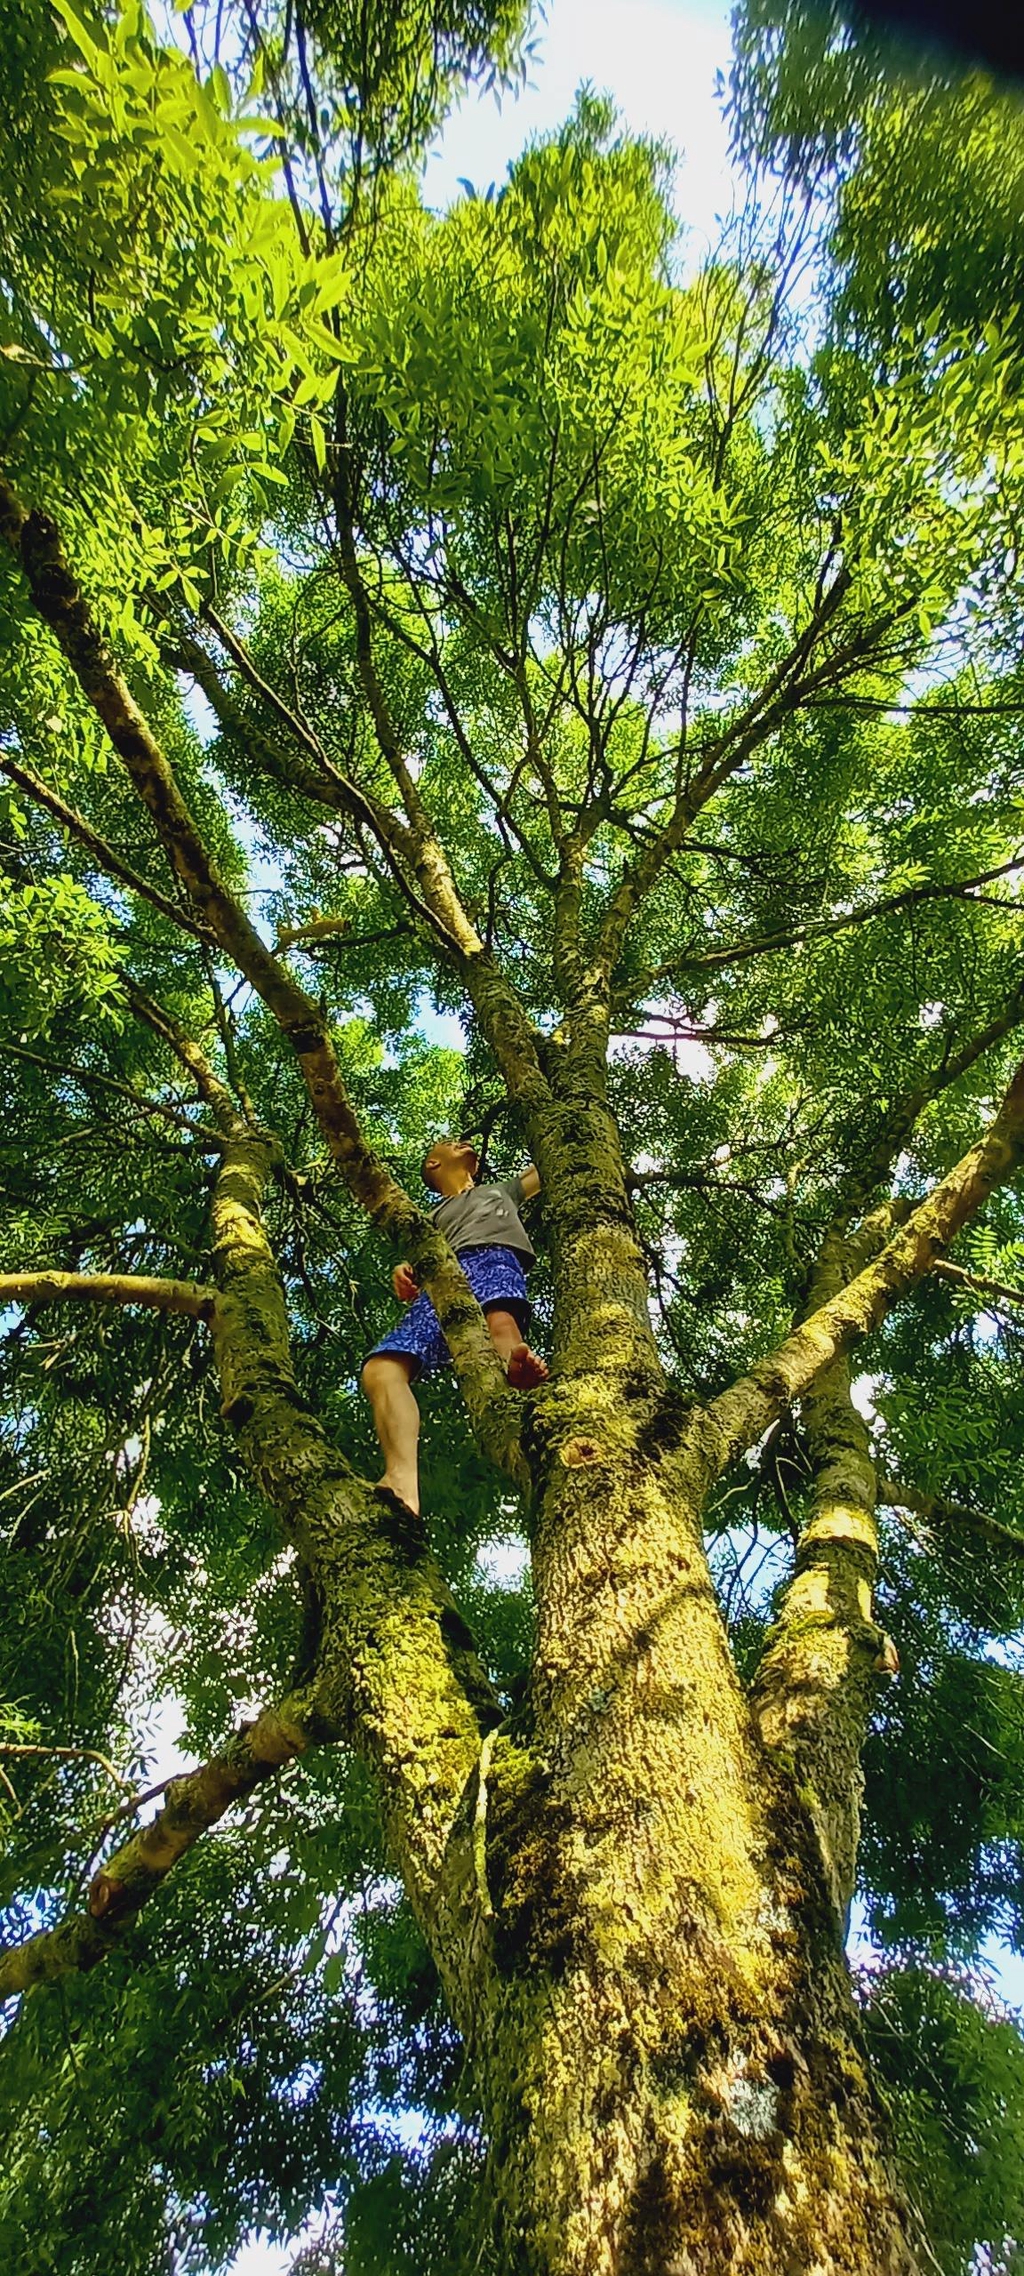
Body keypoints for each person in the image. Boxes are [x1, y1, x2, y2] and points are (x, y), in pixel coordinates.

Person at [361, 1136, 548, 1512]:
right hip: (443, 1281)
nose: (463, 1143)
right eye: (451, 1142)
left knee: (499, 1321)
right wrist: (403, 1270)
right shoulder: (428, 1219)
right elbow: (415, 1258)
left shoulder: (501, 1191)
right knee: (380, 1369)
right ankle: (401, 1485)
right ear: (433, 1164)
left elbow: (549, 1165)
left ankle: (519, 1367)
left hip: (493, 1257)